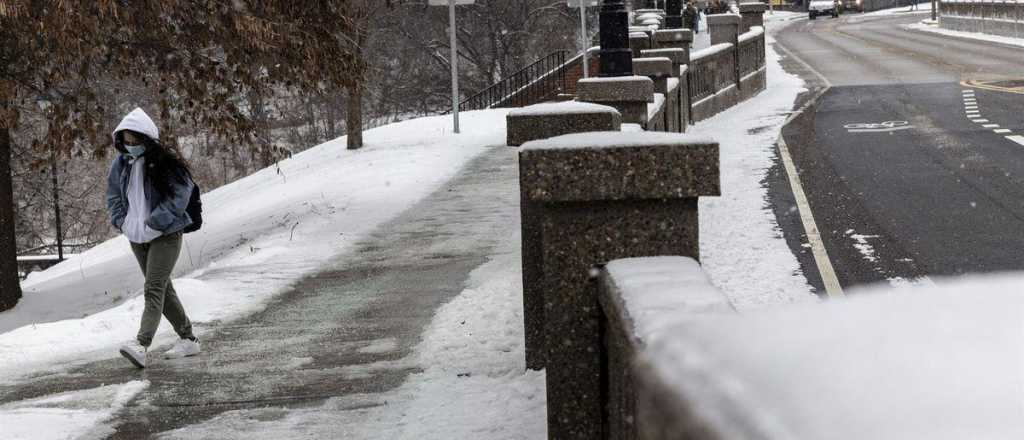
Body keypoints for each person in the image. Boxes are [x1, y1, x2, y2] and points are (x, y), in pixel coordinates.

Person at [106, 108, 200, 369]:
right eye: (126, 140)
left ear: (146, 138)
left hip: (166, 234)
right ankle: (188, 338)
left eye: (135, 140)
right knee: (163, 289)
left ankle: (141, 344)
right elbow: (113, 196)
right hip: (136, 236)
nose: (130, 145)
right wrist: (122, 222)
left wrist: (155, 223)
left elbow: (181, 194)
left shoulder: (165, 162)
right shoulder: (121, 164)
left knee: (154, 287)